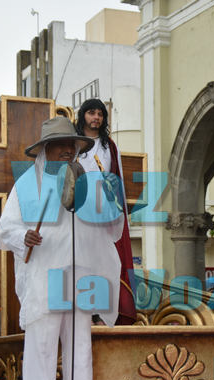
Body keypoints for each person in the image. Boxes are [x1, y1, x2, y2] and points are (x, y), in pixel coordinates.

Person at [0, 117, 123, 380]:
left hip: (80, 271)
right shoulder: (28, 184)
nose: (67, 149)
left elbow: (110, 223)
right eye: (61, 144)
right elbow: (5, 230)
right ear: (46, 149)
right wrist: (24, 236)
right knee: (42, 338)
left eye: (71, 144)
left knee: (80, 338)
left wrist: (108, 199)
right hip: (46, 272)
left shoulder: (86, 180)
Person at [75, 98, 136, 326]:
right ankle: (82, 310)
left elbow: (117, 180)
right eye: (91, 113)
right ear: (83, 116)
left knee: (103, 260)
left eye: (100, 114)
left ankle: (101, 313)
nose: (96, 118)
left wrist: (117, 211)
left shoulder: (108, 146)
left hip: (103, 215)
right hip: (78, 212)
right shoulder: (74, 144)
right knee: (80, 260)